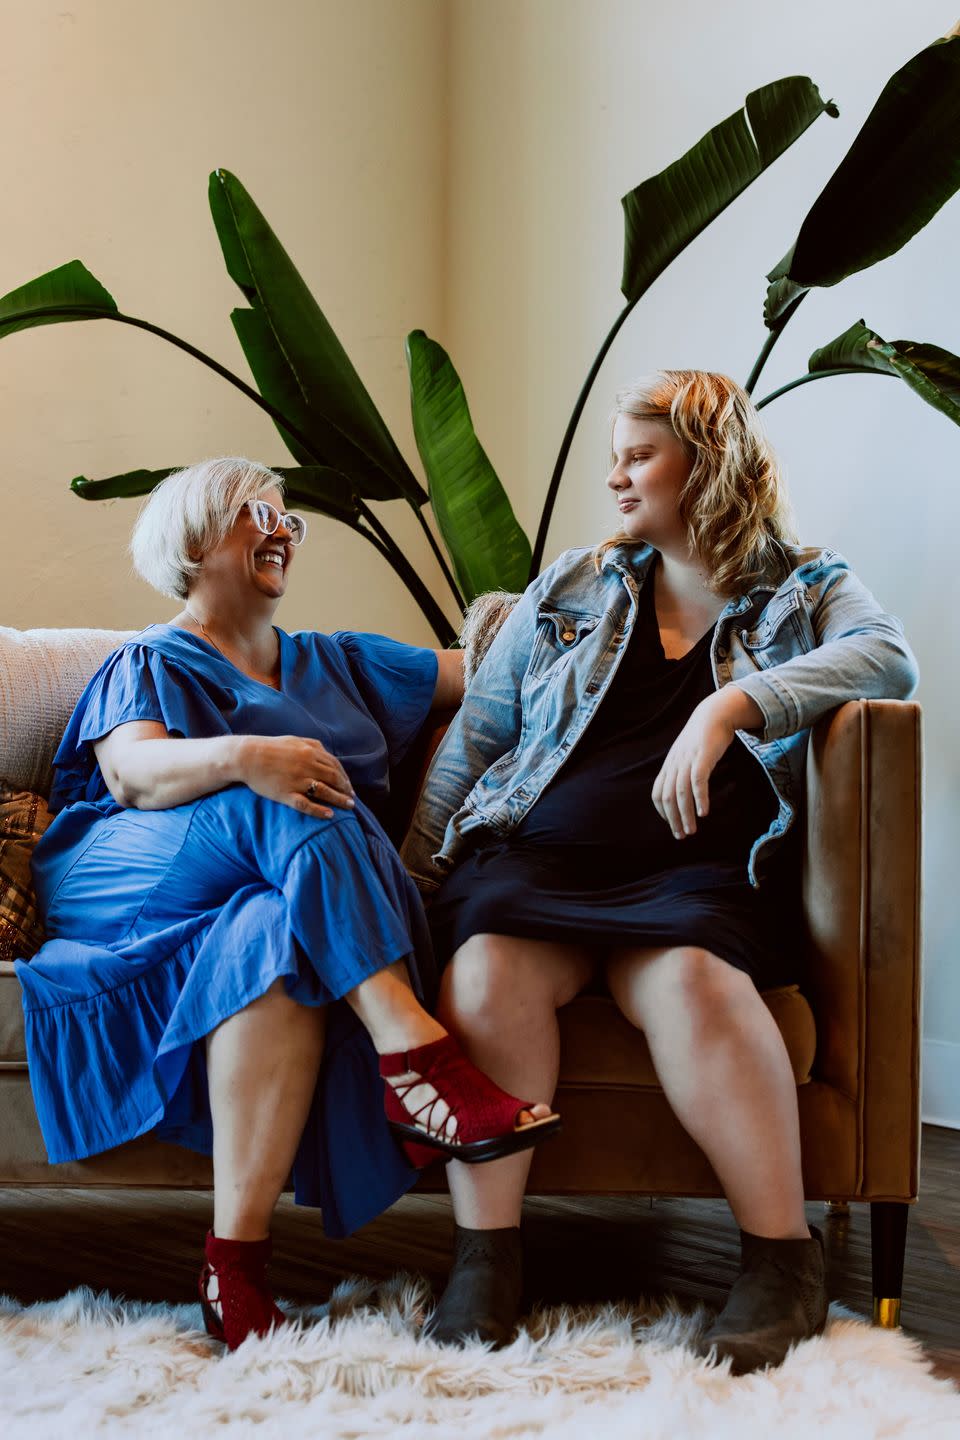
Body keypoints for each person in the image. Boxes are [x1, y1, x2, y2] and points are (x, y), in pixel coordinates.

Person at [401, 370, 919, 1375]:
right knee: (485, 974)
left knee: (695, 983)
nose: (615, 477)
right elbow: (479, 739)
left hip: (696, 881)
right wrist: (413, 880)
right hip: (535, 865)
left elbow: (885, 657)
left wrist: (730, 706)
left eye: (638, 454)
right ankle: (486, 1257)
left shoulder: (805, 585)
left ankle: (779, 1260)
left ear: (709, 460)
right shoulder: (575, 584)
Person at [15, 457, 559, 1351]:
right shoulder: (149, 656)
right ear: (195, 544)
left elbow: (498, 676)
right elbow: (132, 774)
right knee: (293, 784)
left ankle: (235, 1268)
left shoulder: (340, 664)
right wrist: (243, 758)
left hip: (274, 894)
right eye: (253, 517)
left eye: (288, 521)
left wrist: (631, 616)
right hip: (129, 875)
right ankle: (419, 1061)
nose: (282, 532)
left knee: (274, 935)